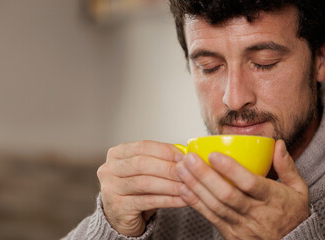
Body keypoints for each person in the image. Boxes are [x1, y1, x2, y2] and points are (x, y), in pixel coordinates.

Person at [64, 0, 325, 239]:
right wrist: (111, 227)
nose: (233, 99)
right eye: (209, 67)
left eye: (263, 62)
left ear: (320, 60)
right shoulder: (166, 205)